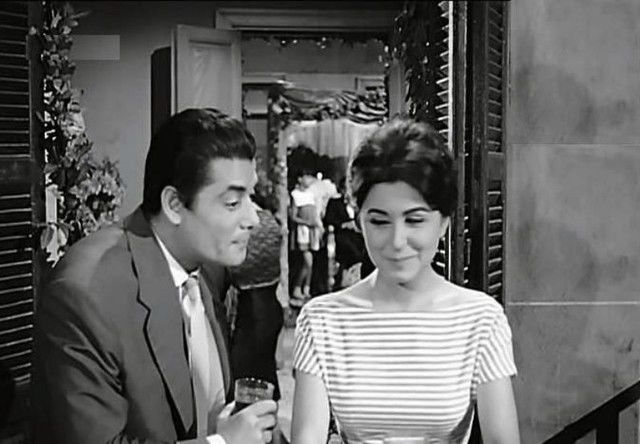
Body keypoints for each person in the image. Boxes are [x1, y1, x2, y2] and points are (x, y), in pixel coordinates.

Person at [31, 108, 278, 444]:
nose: (254, 219)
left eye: (252, 196)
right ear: (174, 204)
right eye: (233, 202)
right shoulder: (85, 294)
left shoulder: (205, 265)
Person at [291, 117, 520, 443]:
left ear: (444, 222)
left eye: (414, 220)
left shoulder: (480, 319)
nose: (397, 241)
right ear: (359, 221)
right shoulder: (321, 320)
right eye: (379, 221)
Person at [227, 193, 283, 401]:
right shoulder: (270, 220)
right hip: (270, 303)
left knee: (246, 377)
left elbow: (237, 269)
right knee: (265, 371)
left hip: (251, 307)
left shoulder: (243, 224)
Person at [289, 169, 323, 307]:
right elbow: (293, 216)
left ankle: (305, 288)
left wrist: (318, 225)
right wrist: (306, 222)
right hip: (302, 231)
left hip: (312, 231)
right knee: (307, 261)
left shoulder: (311, 194)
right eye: (307, 176)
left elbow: (315, 213)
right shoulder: (295, 195)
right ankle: (297, 287)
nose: (309, 179)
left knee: (311, 261)